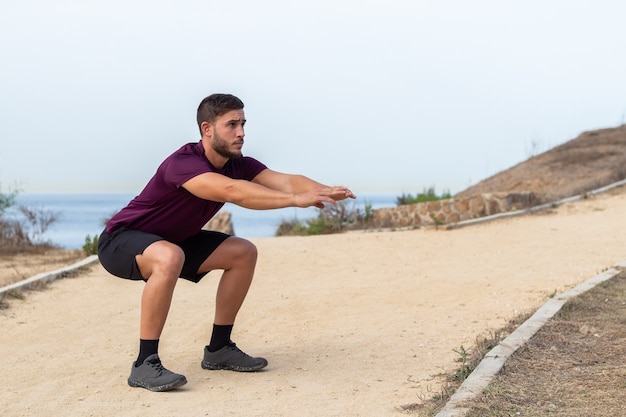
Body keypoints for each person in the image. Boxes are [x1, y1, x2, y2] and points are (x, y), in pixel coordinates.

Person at [97, 93, 356, 392]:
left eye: (243, 124)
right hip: (121, 240)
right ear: (207, 129)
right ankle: (145, 363)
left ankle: (219, 349)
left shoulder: (238, 164)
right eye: (231, 125)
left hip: (175, 241)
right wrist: (297, 201)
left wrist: (323, 190)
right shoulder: (182, 163)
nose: (241, 132)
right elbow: (233, 191)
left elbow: (284, 180)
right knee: (169, 256)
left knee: (242, 252)